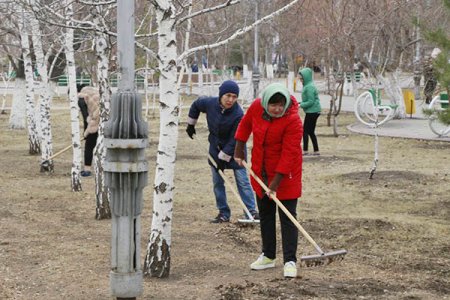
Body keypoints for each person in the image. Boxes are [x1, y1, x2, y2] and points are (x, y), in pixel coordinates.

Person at [233, 83, 303, 278]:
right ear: (266, 103)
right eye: (273, 105)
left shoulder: (293, 121)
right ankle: (268, 255)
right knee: (265, 215)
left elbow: (289, 154)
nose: (277, 109)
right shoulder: (257, 107)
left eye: (281, 105)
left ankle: (290, 260)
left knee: (288, 218)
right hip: (260, 172)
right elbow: (245, 124)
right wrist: (239, 148)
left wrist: (275, 184)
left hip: (286, 176)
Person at [186, 80, 259, 223]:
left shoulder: (238, 114)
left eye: (234, 96)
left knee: (243, 182)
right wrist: (191, 124)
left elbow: (235, 139)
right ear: (221, 95)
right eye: (228, 95)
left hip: (235, 150)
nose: (231, 100)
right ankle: (223, 213)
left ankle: (251, 212)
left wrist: (223, 157)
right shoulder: (209, 103)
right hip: (215, 147)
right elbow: (195, 105)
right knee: (218, 182)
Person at [78, 85, 100, 177]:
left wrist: (86, 132)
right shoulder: (99, 93)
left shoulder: (82, 99)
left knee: (89, 145)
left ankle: (87, 170)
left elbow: (88, 117)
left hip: (95, 124)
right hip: (108, 123)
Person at [298, 67, 321, 156]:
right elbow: (308, 100)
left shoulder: (309, 87)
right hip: (314, 111)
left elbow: (311, 101)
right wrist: (299, 103)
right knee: (311, 131)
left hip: (313, 111)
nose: (300, 80)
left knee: (305, 131)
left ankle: (305, 150)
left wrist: (300, 105)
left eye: (301, 78)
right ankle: (316, 150)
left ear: (306, 77)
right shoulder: (308, 85)